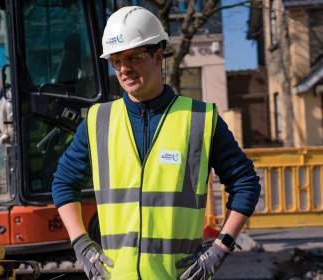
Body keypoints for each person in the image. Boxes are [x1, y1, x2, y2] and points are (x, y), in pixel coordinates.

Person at [52, 6, 261, 280]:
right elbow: (64, 182)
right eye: (116, 60)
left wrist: (221, 247)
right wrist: (81, 243)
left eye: (133, 57)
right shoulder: (98, 120)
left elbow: (245, 182)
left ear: (159, 56)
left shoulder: (200, 119)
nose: (124, 69)